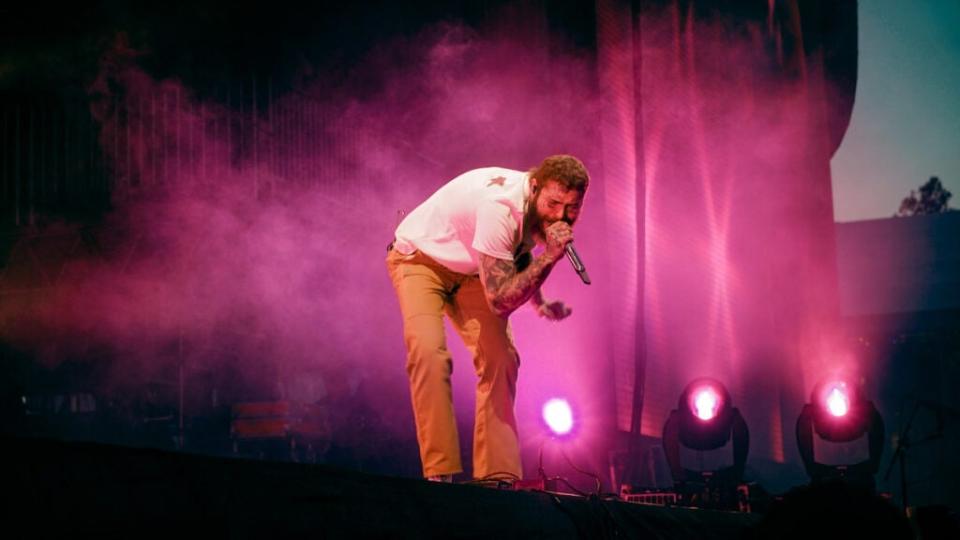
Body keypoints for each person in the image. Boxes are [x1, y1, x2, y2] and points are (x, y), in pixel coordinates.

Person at [385, 154, 589, 482]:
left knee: (502, 358)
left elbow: (517, 256)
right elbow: (498, 300)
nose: (561, 215)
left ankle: (498, 477)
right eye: (553, 204)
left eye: (572, 207)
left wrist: (539, 302)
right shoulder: (500, 208)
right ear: (535, 188)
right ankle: (439, 475)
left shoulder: (535, 205)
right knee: (429, 353)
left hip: (470, 271)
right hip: (419, 259)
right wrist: (550, 256)